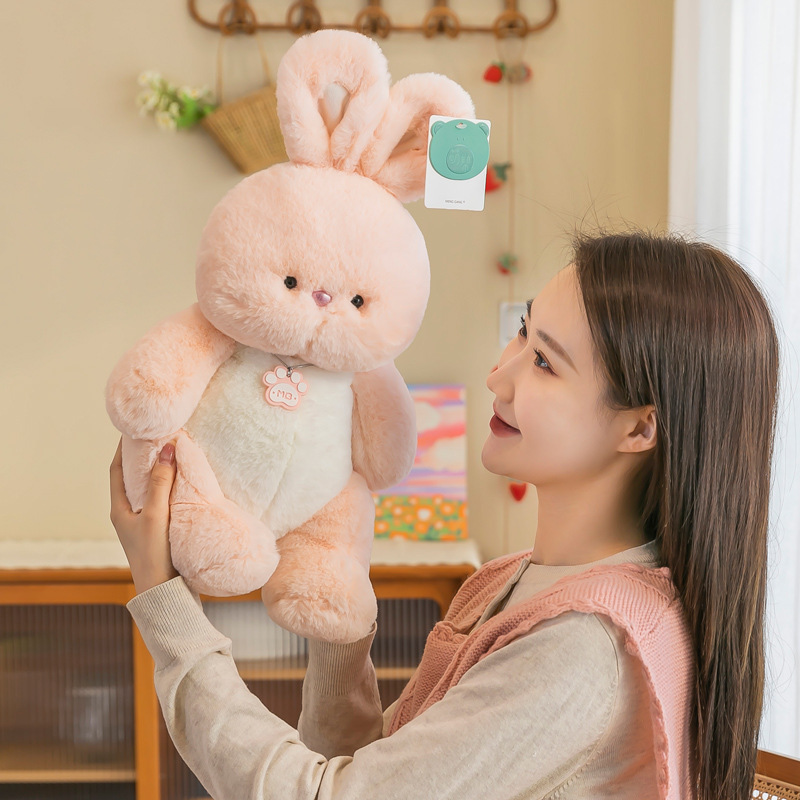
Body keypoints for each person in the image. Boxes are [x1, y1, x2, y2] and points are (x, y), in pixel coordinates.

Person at [110, 231, 780, 800]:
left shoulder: (585, 646)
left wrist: (166, 602)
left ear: (638, 428)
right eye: (523, 332)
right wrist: (340, 614)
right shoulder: (506, 583)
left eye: (544, 363)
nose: (499, 375)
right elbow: (367, 769)